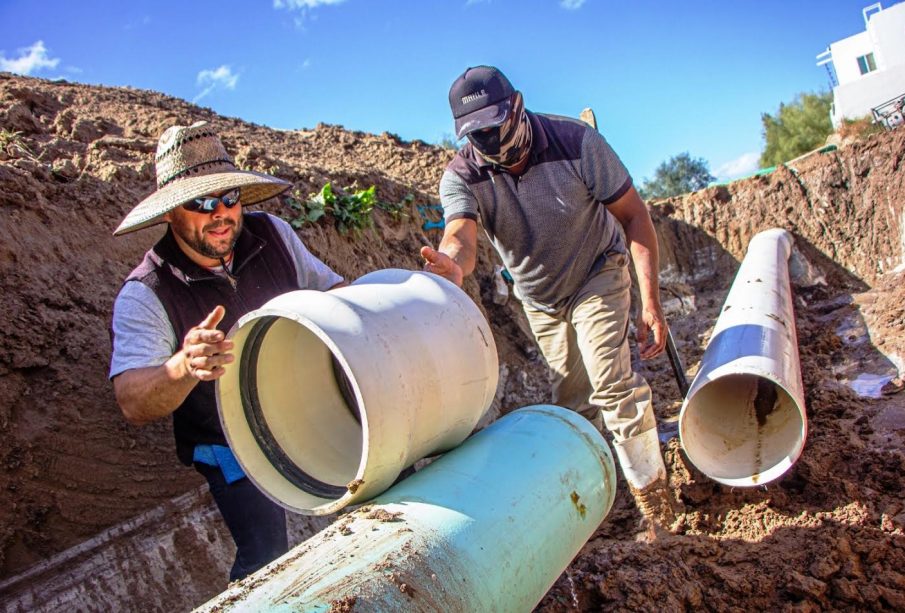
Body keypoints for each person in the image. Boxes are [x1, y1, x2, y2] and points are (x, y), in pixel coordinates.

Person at [421, 66, 678, 530]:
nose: (491, 143)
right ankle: (602, 504)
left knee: (613, 385)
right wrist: (453, 263)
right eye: (477, 135)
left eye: (496, 126)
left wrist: (651, 303)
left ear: (517, 106)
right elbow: (460, 234)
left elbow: (634, 217)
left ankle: (658, 507)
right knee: (573, 406)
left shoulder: (575, 142)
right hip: (541, 299)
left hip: (596, 270)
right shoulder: (463, 174)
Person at [109, 121, 344, 581]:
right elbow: (132, 400)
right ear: (171, 212)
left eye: (229, 197)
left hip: (307, 410)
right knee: (266, 557)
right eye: (201, 203)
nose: (221, 213)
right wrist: (182, 368)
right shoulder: (147, 292)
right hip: (228, 442)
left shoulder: (274, 234)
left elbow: (334, 292)